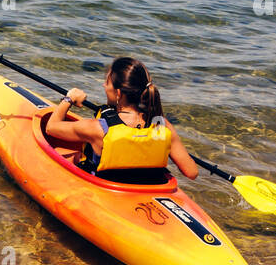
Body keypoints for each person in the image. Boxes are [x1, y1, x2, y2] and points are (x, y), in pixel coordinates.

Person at [44, 56, 199, 180]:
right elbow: (191, 172)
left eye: (107, 82)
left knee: (60, 150)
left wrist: (69, 99)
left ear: (118, 93)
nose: (104, 86)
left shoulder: (97, 128)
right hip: (148, 190)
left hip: (108, 191)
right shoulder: (162, 125)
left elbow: (51, 128)